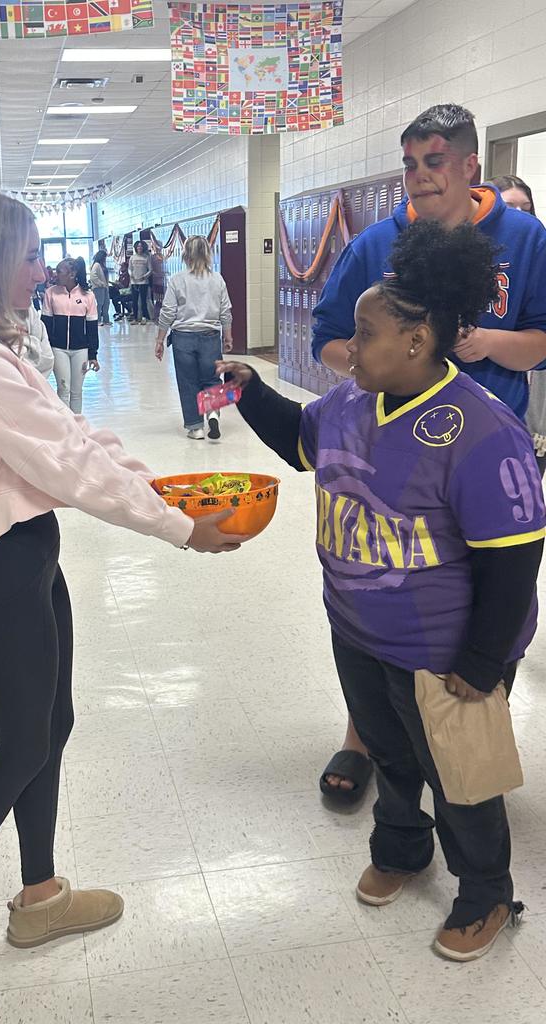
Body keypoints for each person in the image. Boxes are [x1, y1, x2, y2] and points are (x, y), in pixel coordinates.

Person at [0, 188, 248, 946]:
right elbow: (65, 461)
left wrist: (156, 489)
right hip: (2, 568)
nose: (41, 271)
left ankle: (41, 892)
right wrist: (179, 527)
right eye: (27, 256)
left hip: (26, 557)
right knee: (24, 743)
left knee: (52, 725)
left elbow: (71, 432)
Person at [222, 218, 545, 962]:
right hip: (358, 630)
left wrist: (482, 661)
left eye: (364, 334)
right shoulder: (350, 403)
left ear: (417, 341)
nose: (347, 346)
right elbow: (302, 441)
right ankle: (401, 848)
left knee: (459, 778)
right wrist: (252, 393)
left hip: (442, 651)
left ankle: (487, 890)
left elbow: (513, 560)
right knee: (393, 757)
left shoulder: (480, 430)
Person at [311, 104, 546, 802]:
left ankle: (469, 745)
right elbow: (329, 339)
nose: (419, 176)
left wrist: (485, 345)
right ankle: (366, 736)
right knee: (381, 591)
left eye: (434, 161)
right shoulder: (375, 245)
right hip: (392, 461)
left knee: (488, 599)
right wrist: (377, 370)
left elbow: (542, 338)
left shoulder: (523, 239)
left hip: (485, 458)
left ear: (471, 165)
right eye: (410, 163)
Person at [490, 174, 546, 476]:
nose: (520, 217)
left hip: (528, 407)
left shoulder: (536, 257)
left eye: (527, 209)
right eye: (510, 207)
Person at [155, 235, 234, 440]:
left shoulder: (177, 280)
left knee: (188, 381)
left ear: (185, 255)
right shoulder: (217, 279)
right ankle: (213, 413)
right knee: (212, 378)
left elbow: (167, 312)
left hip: (183, 337)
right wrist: (228, 336)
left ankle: (196, 427)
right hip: (210, 336)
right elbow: (225, 311)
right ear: (207, 253)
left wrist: (159, 340)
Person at [42, 256, 99, 414]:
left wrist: (93, 354)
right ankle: (65, 425)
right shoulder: (50, 293)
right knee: (63, 389)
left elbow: (92, 328)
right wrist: (45, 348)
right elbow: (45, 325)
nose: (55, 274)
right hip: (58, 349)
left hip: (81, 350)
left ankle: (77, 425)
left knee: (76, 392)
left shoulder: (88, 296)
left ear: (72, 274)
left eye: (59, 271)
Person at [129, 240, 151, 324]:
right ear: (135, 247)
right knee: (134, 301)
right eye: (138, 246)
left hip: (143, 282)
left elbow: (150, 270)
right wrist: (131, 275)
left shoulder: (146, 257)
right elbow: (129, 269)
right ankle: (135, 318)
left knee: (143, 301)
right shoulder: (132, 257)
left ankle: (144, 317)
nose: (139, 248)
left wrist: (145, 276)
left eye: (141, 246)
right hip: (134, 282)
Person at [90, 250, 111, 326]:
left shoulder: (102, 265)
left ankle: (106, 320)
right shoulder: (96, 265)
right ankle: (98, 320)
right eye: (104, 257)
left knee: (106, 303)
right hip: (98, 288)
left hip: (104, 287)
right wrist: (101, 284)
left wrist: (105, 285)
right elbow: (93, 276)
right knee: (99, 304)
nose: (105, 258)